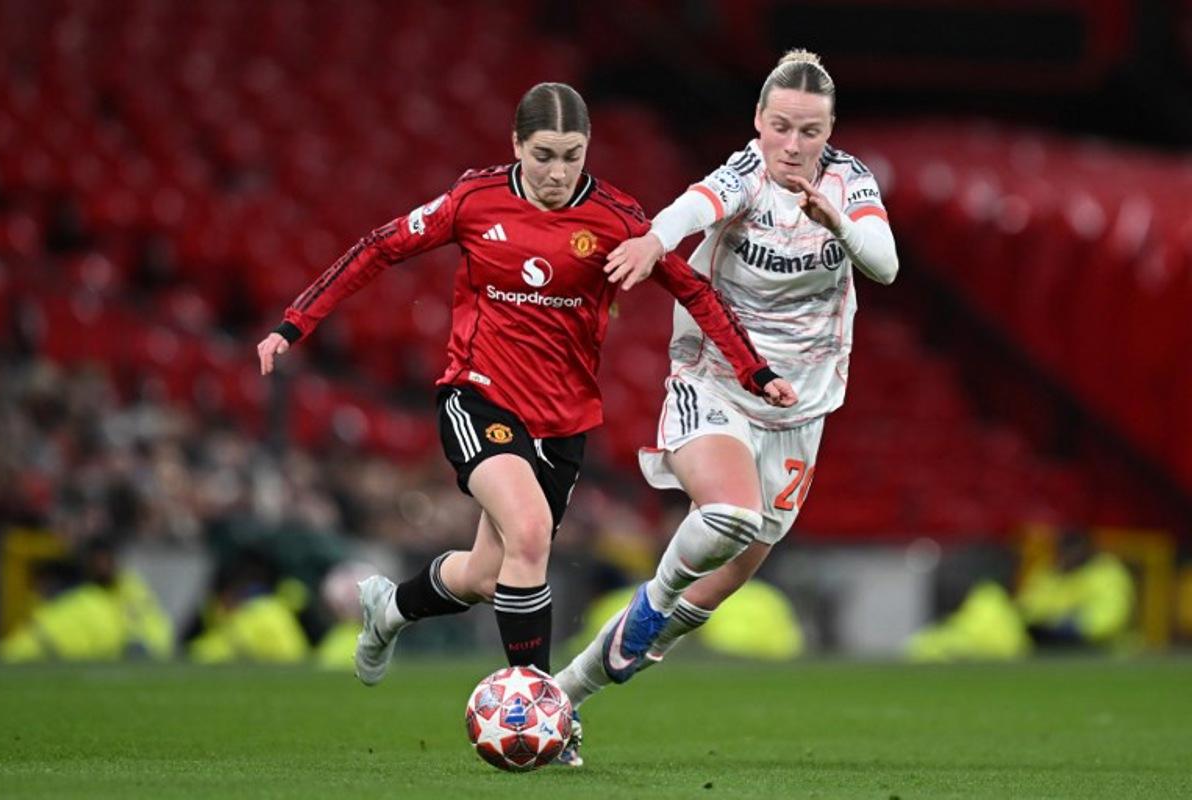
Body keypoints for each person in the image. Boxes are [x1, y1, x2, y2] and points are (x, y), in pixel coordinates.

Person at [255, 82, 797, 687]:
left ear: (588, 149)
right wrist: (293, 323)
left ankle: (390, 609)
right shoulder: (474, 200)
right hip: (478, 394)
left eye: (572, 155)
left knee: (490, 573)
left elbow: (694, 289)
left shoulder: (617, 218)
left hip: (563, 421)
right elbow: (379, 247)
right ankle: (537, 706)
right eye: (543, 155)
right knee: (532, 533)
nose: (557, 171)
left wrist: (757, 371)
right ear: (516, 145)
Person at [551, 50, 900, 766]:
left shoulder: (850, 183)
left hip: (802, 407)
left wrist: (836, 219)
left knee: (716, 590)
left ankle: (564, 696)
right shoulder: (746, 173)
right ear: (759, 123)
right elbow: (694, 205)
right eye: (780, 127)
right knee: (728, 517)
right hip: (716, 380)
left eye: (809, 131)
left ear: (829, 130)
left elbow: (885, 262)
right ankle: (650, 602)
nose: (793, 146)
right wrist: (652, 240)